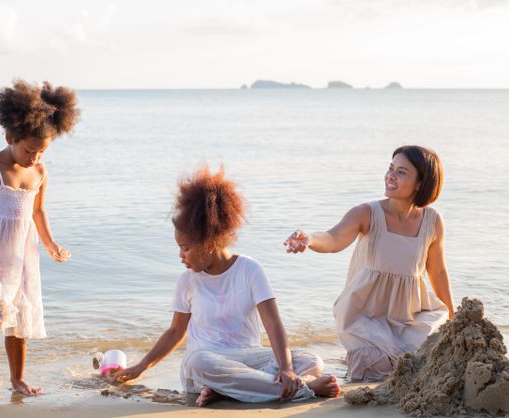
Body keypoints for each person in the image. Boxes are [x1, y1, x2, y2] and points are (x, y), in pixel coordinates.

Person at [113, 166, 340, 406]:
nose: (181, 255)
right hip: (206, 365)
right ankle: (304, 389)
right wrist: (141, 366)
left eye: (186, 247)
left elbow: (273, 323)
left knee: (310, 360)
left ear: (208, 243)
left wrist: (286, 369)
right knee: (197, 361)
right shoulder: (187, 281)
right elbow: (175, 332)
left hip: (248, 360)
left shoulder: (250, 270)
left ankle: (232, 391)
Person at [285, 145, 454, 381]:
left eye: (401, 172)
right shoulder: (367, 213)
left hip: (410, 315)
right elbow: (334, 239)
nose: (390, 176)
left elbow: (437, 271)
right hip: (364, 315)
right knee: (372, 366)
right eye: (390, 168)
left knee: (419, 361)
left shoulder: (433, 221)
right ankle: (359, 352)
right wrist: (310, 239)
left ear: (420, 183)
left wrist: (453, 317)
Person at [0, 79, 79, 403]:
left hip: (23, 254)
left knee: (20, 318)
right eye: (29, 149)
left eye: (42, 150)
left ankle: (18, 379)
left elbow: (38, 213)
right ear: (9, 137)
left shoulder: (39, 172)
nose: (34, 156)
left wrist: (51, 244)